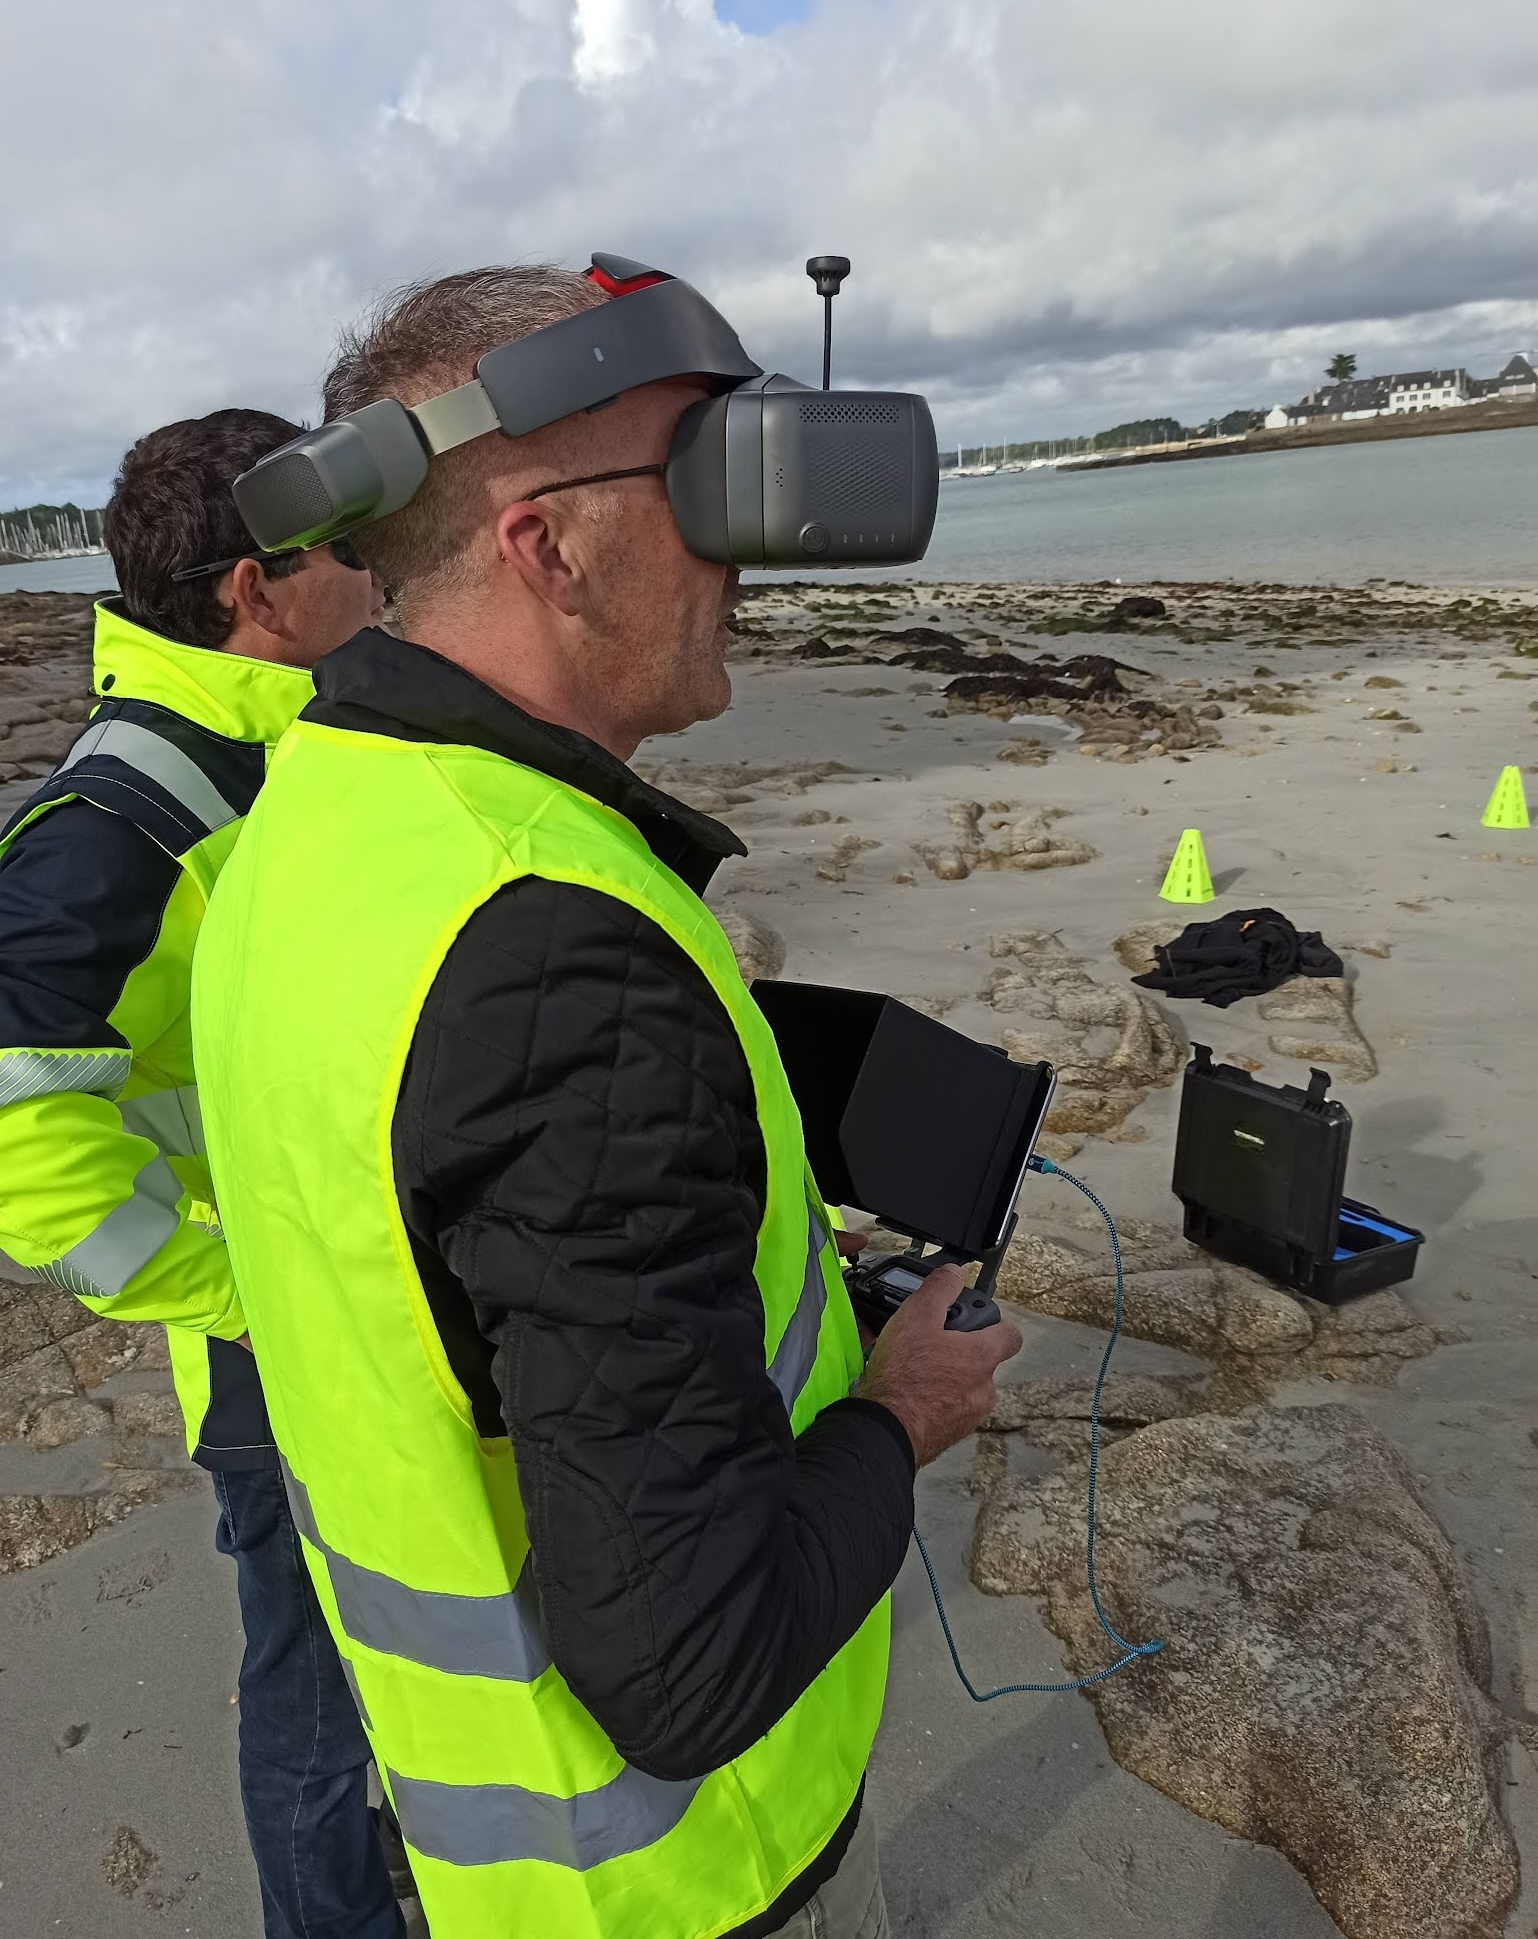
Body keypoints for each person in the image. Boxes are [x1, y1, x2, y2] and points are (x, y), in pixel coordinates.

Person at [191, 266, 1021, 1939]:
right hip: (671, 1875)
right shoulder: (554, 950)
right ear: (548, 545)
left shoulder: (314, 821)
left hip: (479, 1825)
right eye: (707, 486)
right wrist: (901, 1409)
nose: (745, 561)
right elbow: (689, 1665)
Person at [0, 410, 406, 1939]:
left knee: (395, 1661)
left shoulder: (281, 745)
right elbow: (21, 1141)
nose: (382, 574)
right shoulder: (119, 816)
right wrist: (245, 1294)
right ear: (256, 589)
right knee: (313, 1689)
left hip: (366, 1313)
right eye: (351, 550)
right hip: (273, 1360)